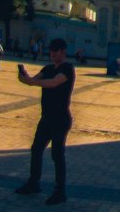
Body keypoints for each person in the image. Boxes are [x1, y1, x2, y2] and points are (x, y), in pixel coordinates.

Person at [16, 38, 74, 206]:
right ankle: (34, 183)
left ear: (62, 52)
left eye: (55, 52)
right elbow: (33, 80)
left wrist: (34, 82)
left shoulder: (67, 68)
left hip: (61, 119)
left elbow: (54, 83)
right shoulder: (48, 68)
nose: (52, 54)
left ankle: (60, 192)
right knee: (36, 149)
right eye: (51, 51)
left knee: (57, 155)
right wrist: (24, 77)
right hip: (46, 117)